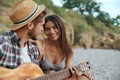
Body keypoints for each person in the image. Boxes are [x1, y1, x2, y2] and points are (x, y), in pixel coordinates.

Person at [30, 15, 93, 80]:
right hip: (41, 78)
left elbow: (67, 72)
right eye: (47, 29)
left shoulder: (68, 50)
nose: (51, 32)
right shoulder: (40, 44)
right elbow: (23, 40)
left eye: (54, 27)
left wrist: (77, 75)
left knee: (84, 78)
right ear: (44, 31)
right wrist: (35, 43)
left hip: (60, 78)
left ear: (60, 27)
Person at [0, 0, 47, 69]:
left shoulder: (34, 51)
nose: (42, 29)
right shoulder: (3, 44)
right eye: (41, 25)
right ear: (30, 25)